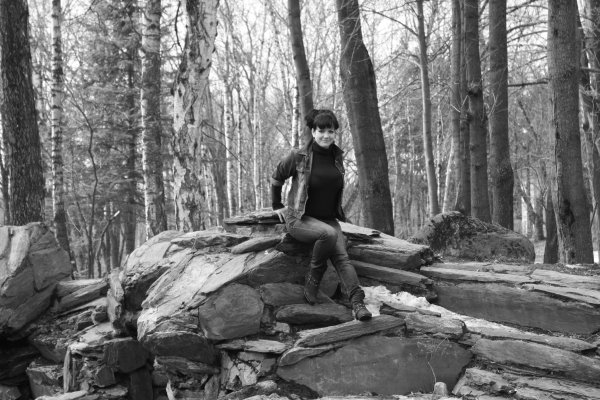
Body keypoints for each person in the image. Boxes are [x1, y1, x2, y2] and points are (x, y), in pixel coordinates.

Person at [270, 109, 372, 321]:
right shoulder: (299, 156)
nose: (326, 135)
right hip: (299, 218)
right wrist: (276, 205)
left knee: (342, 258)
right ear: (313, 132)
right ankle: (314, 275)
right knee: (329, 235)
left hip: (327, 219)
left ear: (335, 133)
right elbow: (277, 177)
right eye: (321, 131)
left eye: (331, 131)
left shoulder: (337, 157)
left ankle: (357, 302)